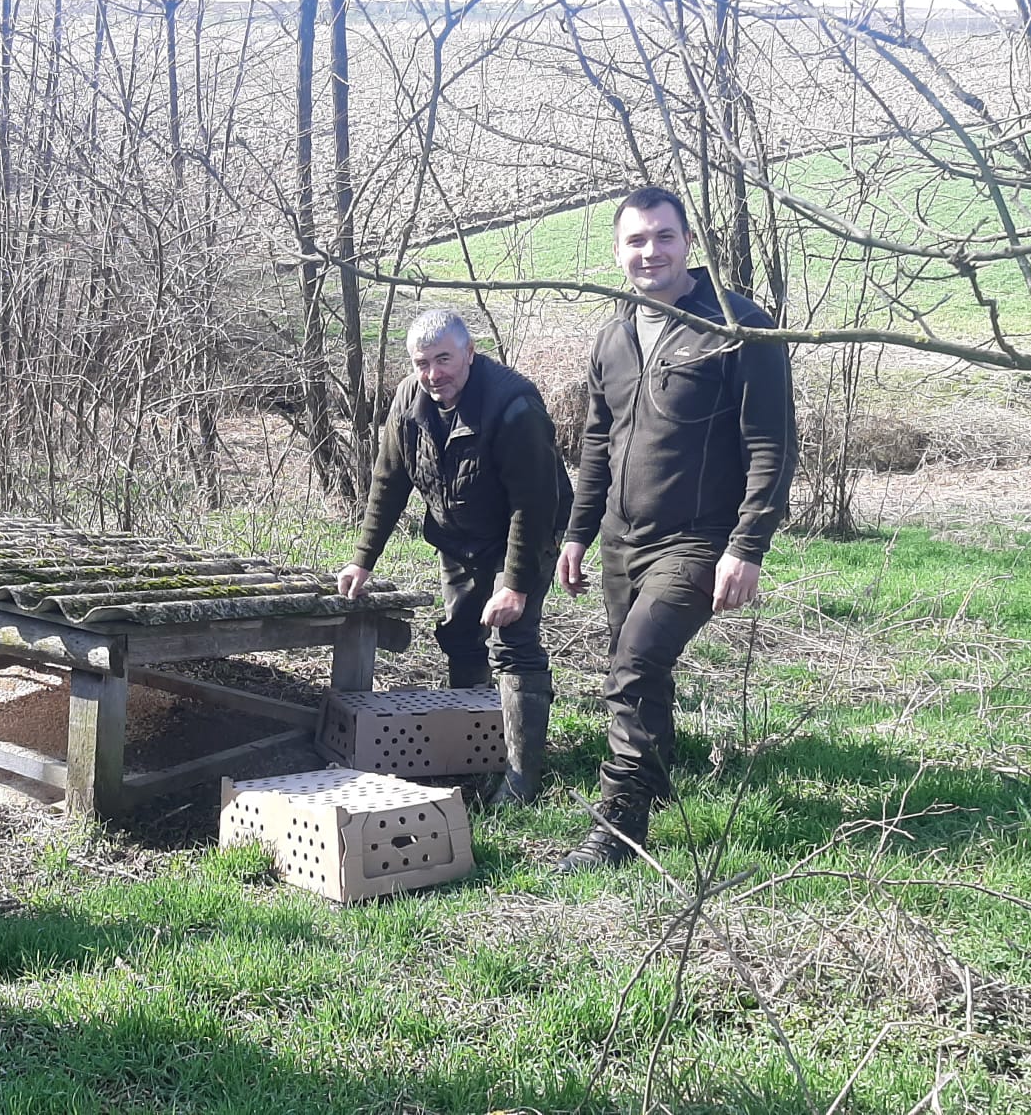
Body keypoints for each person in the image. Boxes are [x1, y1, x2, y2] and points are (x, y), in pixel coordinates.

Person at [554, 185, 797, 870]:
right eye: (636, 240)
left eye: (663, 236)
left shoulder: (738, 327)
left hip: (698, 538)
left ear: (688, 242)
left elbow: (773, 445)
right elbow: (597, 444)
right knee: (636, 664)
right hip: (621, 538)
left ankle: (619, 827)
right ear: (617, 252)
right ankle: (654, 781)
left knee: (635, 664)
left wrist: (746, 546)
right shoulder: (614, 336)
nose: (650, 251)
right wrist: (577, 533)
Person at [338, 308, 572, 805]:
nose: (433, 374)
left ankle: (522, 776)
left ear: (469, 353)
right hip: (457, 536)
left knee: (512, 638)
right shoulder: (408, 403)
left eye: (444, 359)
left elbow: (533, 504)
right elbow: (388, 483)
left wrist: (514, 585)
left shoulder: (514, 407)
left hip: (525, 531)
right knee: (462, 636)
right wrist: (363, 559)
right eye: (422, 363)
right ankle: (477, 751)